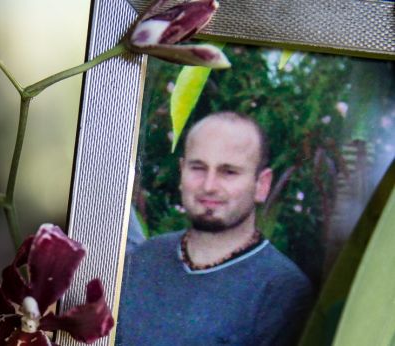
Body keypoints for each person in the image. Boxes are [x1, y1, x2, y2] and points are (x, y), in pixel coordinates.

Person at [116, 112, 313, 345]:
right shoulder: (142, 260)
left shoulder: (281, 292)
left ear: (262, 184)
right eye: (198, 168)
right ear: (182, 172)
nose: (209, 186)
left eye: (228, 172)